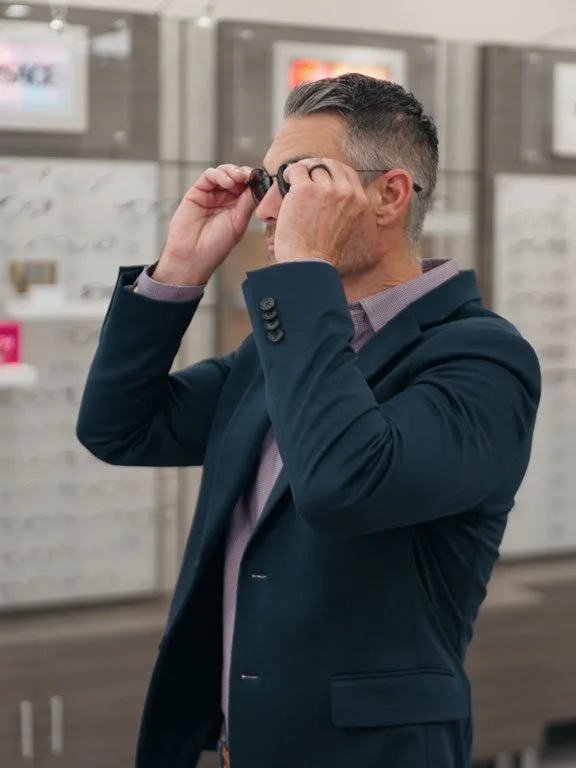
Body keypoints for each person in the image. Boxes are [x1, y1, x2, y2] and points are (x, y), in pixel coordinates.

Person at [76, 73, 541, 768]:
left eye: (299, 182)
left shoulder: (481, 357)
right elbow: (120, 427)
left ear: (390, 195)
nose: (268, 209)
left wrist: (300, 275)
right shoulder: (286, 348)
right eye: (268, 182)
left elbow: (345, 483)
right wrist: (179, 269)